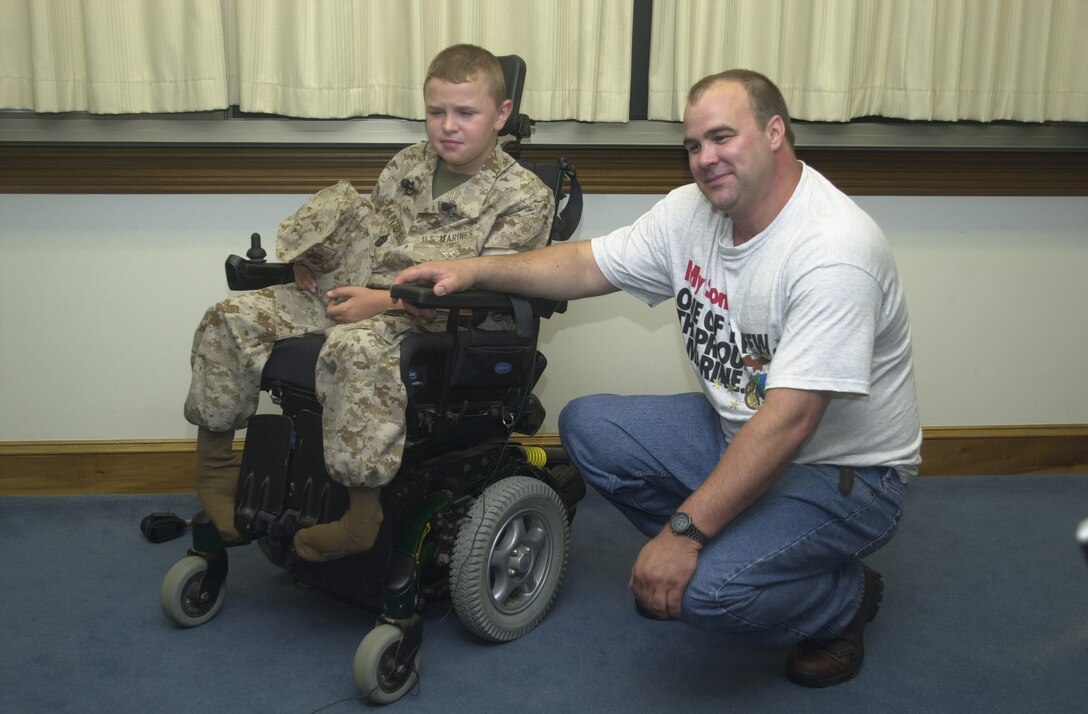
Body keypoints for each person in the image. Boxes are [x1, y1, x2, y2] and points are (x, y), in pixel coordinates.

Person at [393, 69, 921, 688]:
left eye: (722, 138)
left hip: (844, 474)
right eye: (694, 145)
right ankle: (745, 544)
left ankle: (843, 598)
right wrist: (475, 271)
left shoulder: (833, 251)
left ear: (775, 131)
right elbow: (586, 264)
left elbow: (791, 422)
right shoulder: (691, 212)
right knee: (588, 428)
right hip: (738, 433)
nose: (705, 159)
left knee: (706, 594)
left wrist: (684, 533)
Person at [184, 44, 554, 563]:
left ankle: (360, 517)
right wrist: (314, 260)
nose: (447, 126)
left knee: (355, 346)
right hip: (360, 291)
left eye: (466, 113)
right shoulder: (408, 164)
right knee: (230, 318)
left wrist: (382, 303)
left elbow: (493, 291)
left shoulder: (524, 196)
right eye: (436, 112)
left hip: (440, 323)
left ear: (501, 114)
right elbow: (374, 237)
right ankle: (217, 473)